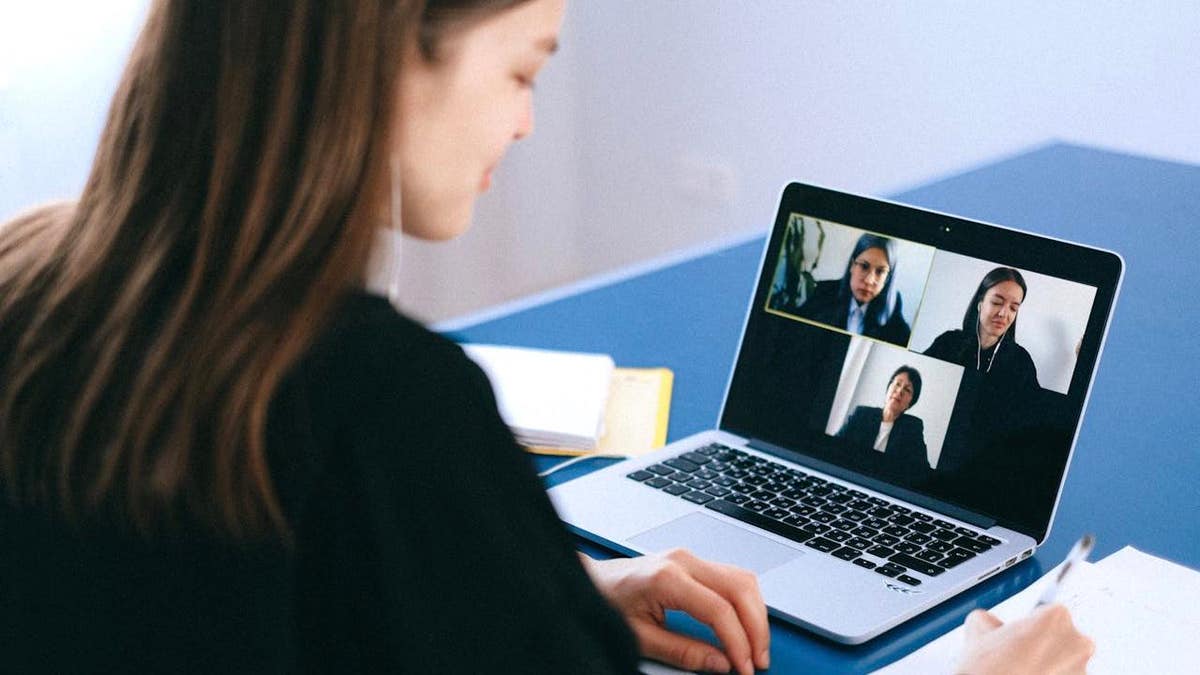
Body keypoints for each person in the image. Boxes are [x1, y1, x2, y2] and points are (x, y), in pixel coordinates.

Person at [0, 1, 1093, 673]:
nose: (525, 120)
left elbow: (229, 593)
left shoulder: (29, 276)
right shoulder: (385, 402)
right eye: (523, 67)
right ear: (385, 50)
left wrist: (548, 591)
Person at [923, 267, 1039, 394]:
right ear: (980, 303)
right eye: (996, 302)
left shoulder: (1021, 362)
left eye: (1013, 308)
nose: (1003, 314)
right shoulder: (947, 343)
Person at [796, 233, 912, 347]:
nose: (869, 280)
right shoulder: (825, 292)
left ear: (888, 278)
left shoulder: (893, 309)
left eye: (880, 271)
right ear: (852, 265)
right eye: (864, 266)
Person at [836, 366, 929, 480]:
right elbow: (835, 446)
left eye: (907, 390)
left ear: (910, 403)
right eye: (897, 384)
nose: (900, 391)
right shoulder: (861, 414)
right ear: (888, 388)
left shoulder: (912, 428)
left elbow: (922, 471)